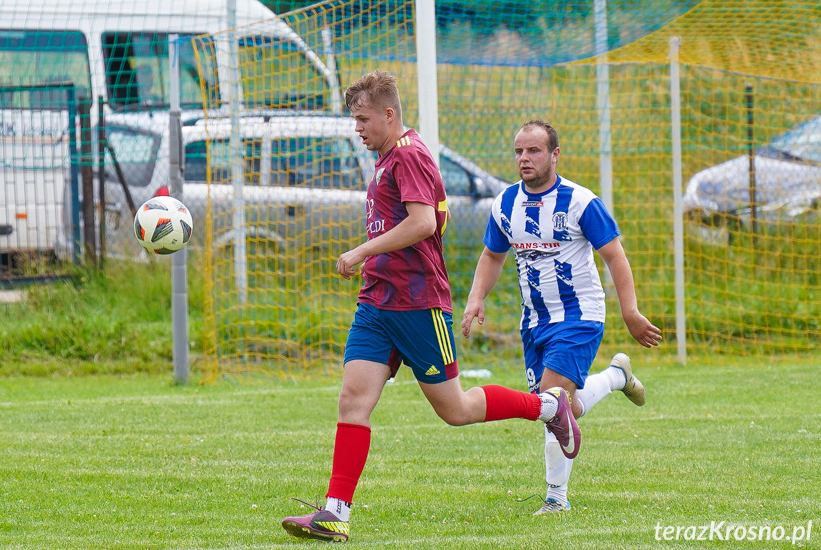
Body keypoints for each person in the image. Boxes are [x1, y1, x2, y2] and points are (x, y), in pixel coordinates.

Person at [281, 73, 582, 543]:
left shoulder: (410, 155)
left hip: (419, 303)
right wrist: (371, 264)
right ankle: (335, 511)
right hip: (377, 302)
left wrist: (362, 251)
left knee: (456, 409)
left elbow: (422, 224)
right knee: (353, 400)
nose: (356, 128)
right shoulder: (384, 157)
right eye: (353, 119)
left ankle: (548, 407)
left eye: (362, 119)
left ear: (389, 114)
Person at [461, 119, 662, 515]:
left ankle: (556, 498)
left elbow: (614, 256)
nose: (524, 158)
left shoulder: (581, 202)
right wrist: (475, 298)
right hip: (534, 321)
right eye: (518, 151)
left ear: (555, 154)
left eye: (533, 150)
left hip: (579, 316)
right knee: (556, 405)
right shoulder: (505, 204)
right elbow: (492, 255)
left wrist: (631, 312)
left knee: (552, 399)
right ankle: (616, 377)